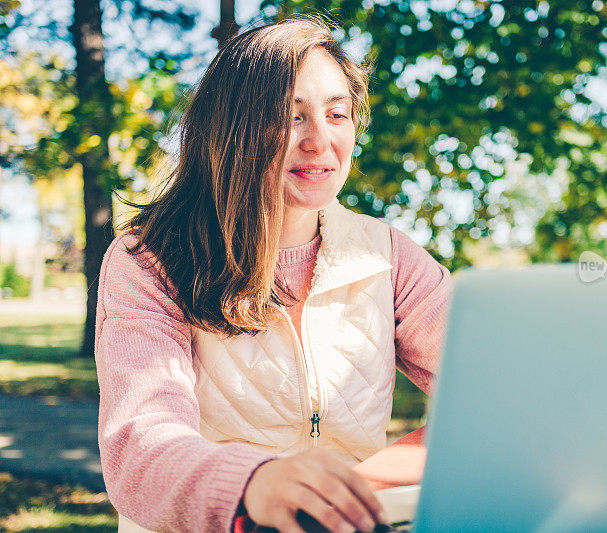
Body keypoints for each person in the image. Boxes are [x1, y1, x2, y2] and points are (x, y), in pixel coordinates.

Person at [94, 16, 452, 533]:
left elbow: (499, 391)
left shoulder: (388, 255)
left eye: (337, 114)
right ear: (233, 129)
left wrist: (339, 496)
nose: (320, 140)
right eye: (291, 116)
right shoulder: (149, 260)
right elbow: (141, 447)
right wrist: (255, 484)